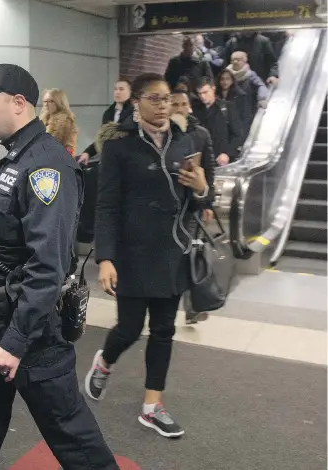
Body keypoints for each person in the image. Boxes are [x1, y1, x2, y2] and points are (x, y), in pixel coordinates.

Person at [0, 64, 118, 470]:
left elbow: (48, 266)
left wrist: (15, 341)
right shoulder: (16, 159)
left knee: (74, 439)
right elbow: (20, 237)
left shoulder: (46, 167)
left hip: (30, 335)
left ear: (19, 104)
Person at [84, 73, 209, 438]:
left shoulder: (185, 141)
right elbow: (106, 207)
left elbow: (203, 198)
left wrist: (201, 188)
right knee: (129, 328)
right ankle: (104, 362)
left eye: (166, 98)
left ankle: (152, 407)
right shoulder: (120, 146)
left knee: (164, 330)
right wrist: (105, 258)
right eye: (154, 98)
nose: (162, 105)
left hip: (172, 250)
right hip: (132, 253)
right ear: (136, 102)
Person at [171, 89, 215, 325]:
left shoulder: (201, 134)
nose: (178, 108)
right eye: (174, 103)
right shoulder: (162, 134)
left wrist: (208, 202)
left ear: (189, 107)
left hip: (192, 206)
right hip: (167, 206)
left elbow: (209, 170)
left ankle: (192, 307)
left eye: (182, 104)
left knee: (190, 256)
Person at [78, 79, 133, 165]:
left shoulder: (133, 113)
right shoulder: (108, 113)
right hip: (108, 160)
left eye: (121, 89)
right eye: (115, 89)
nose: (117, 92)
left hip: (127, 161)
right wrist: (88, 152)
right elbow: (102, 138)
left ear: (130, 92)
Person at [192, 77, 243, 166]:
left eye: (205, 92)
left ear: (213, 89)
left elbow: (238, 135)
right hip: (201, 161)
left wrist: (227, 153)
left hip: (220, 160)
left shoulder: (227, 108)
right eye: (199, 93)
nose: (202, 96)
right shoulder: (195, 110)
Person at [40, 88, 78, 157]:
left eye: (51, 101)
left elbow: (69, 148)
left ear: (59, 102)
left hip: (57, 162)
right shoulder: (42, 120)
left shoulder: (66, 121)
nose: (46, 104)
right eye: (45, 101)